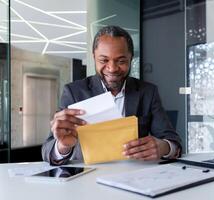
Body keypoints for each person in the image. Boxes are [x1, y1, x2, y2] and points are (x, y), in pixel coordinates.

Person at [42, 25, 182, 165]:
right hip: (87, 178)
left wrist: (164, 147)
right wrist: (63, 146)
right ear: (94, 57)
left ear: (131, 58)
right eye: (104, 60)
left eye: (121, 61)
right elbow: (47, 152)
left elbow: (174, 143)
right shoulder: (74, 92)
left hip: (135, 177)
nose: (112, 69)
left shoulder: (148, 92)